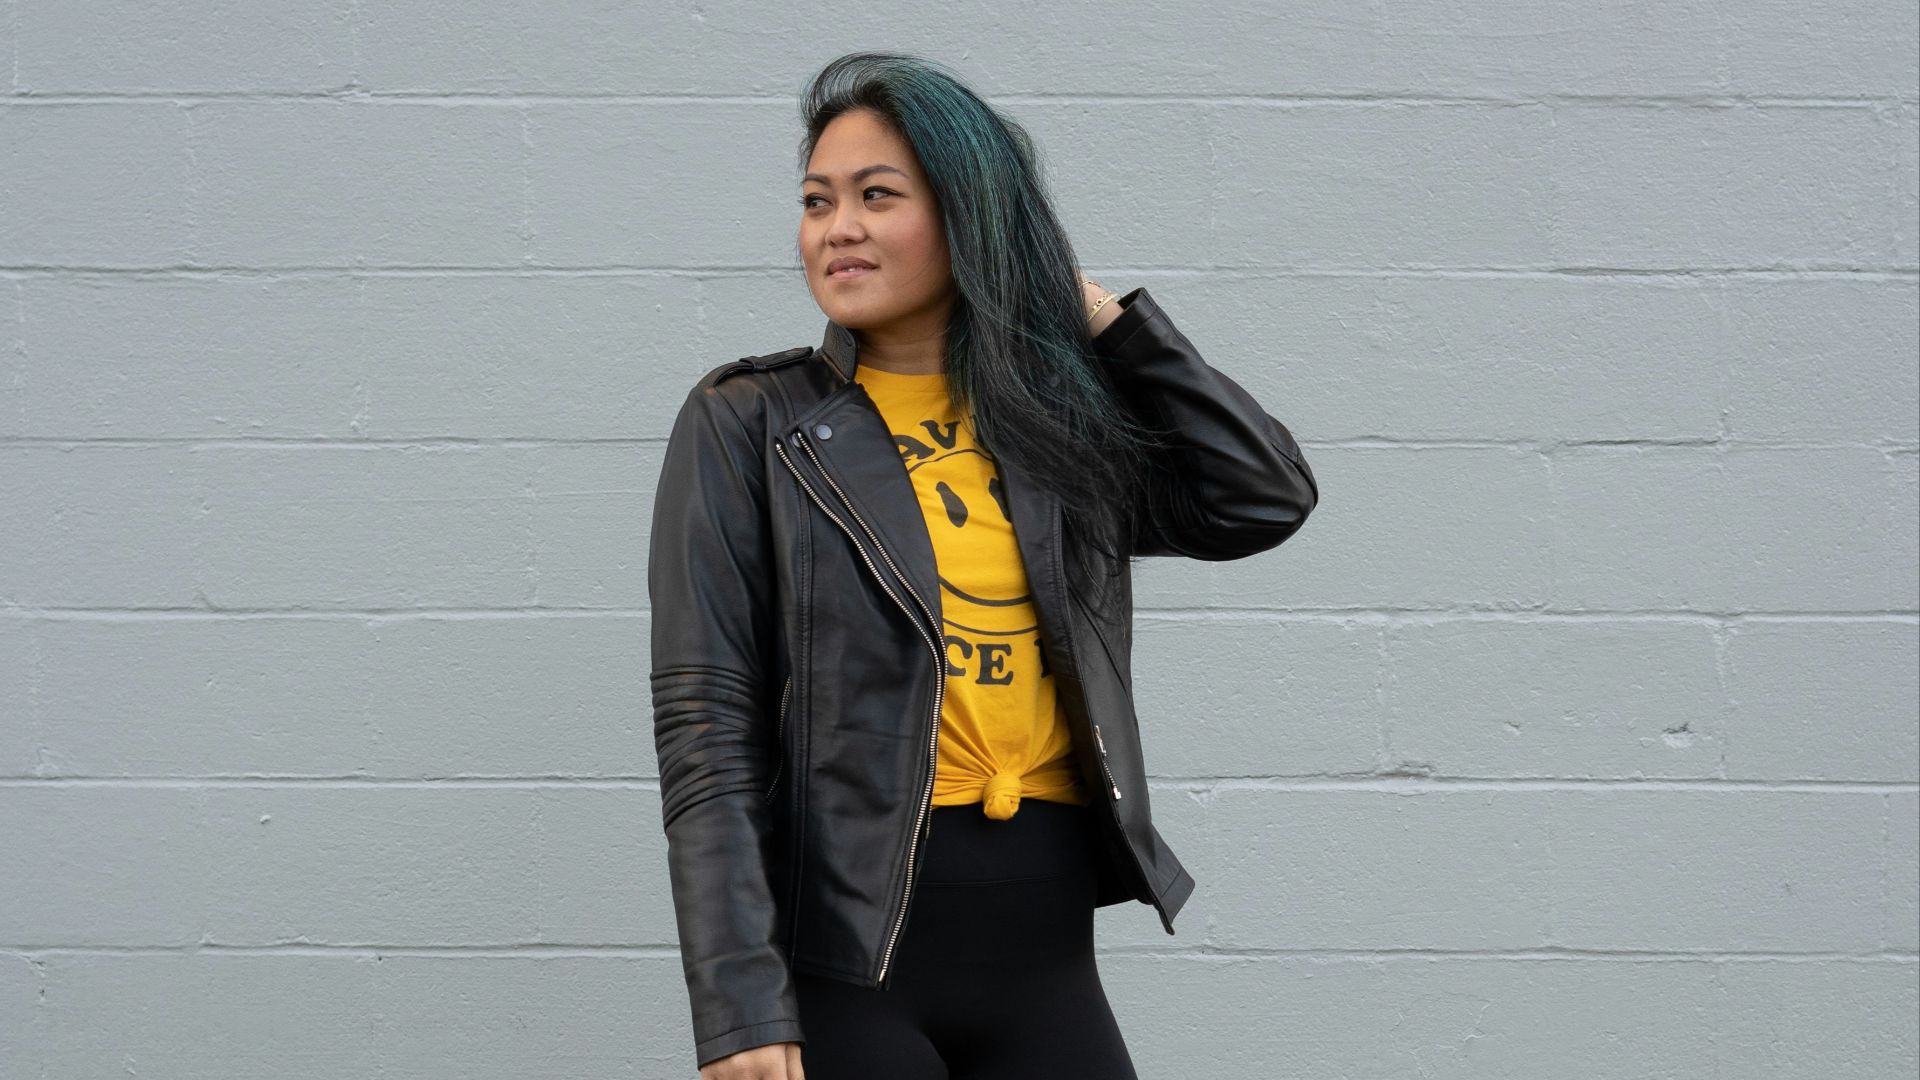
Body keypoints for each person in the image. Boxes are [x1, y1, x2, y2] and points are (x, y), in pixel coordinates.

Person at [650, 52, 1320, 1080]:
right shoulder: (754, 422)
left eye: (877, 196)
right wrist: (739, 1002)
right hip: (847, 973)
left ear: (969, 218)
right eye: (818, 201)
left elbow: (1261, 496)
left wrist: (1104, 319)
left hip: (1046, 956)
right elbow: (707, 724)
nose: (837, 228)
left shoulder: (1056, 430)